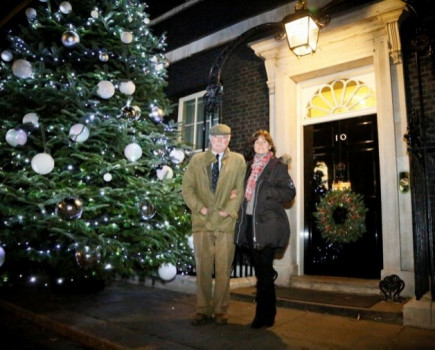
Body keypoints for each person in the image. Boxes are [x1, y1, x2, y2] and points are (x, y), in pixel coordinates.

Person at [182, 123, 246, 326]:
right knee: (203, 268)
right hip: (202, 222)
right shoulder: (197, 160)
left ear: (229, 140)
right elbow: (187, 189)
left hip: (225, 222)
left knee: (223, 270)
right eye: (218, 138)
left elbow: (239, 188)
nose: (221, 142)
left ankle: (220, 310)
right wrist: (199, 208)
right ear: (210, 139)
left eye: (225, 138)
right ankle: (202, 309)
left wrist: (229, 209)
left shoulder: (237, 160)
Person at [235, 129, 296, 328]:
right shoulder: (249, 167)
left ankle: (264, 316)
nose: (260, 144)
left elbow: (289, 192)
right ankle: (266, 314)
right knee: (261, 273)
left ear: (270, 146)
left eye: (264, 142)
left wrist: (268, 191)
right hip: (250, 225)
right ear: (253, 146)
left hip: (268, 226)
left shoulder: (276, 166)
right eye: (257, 142)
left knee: (265, 273)